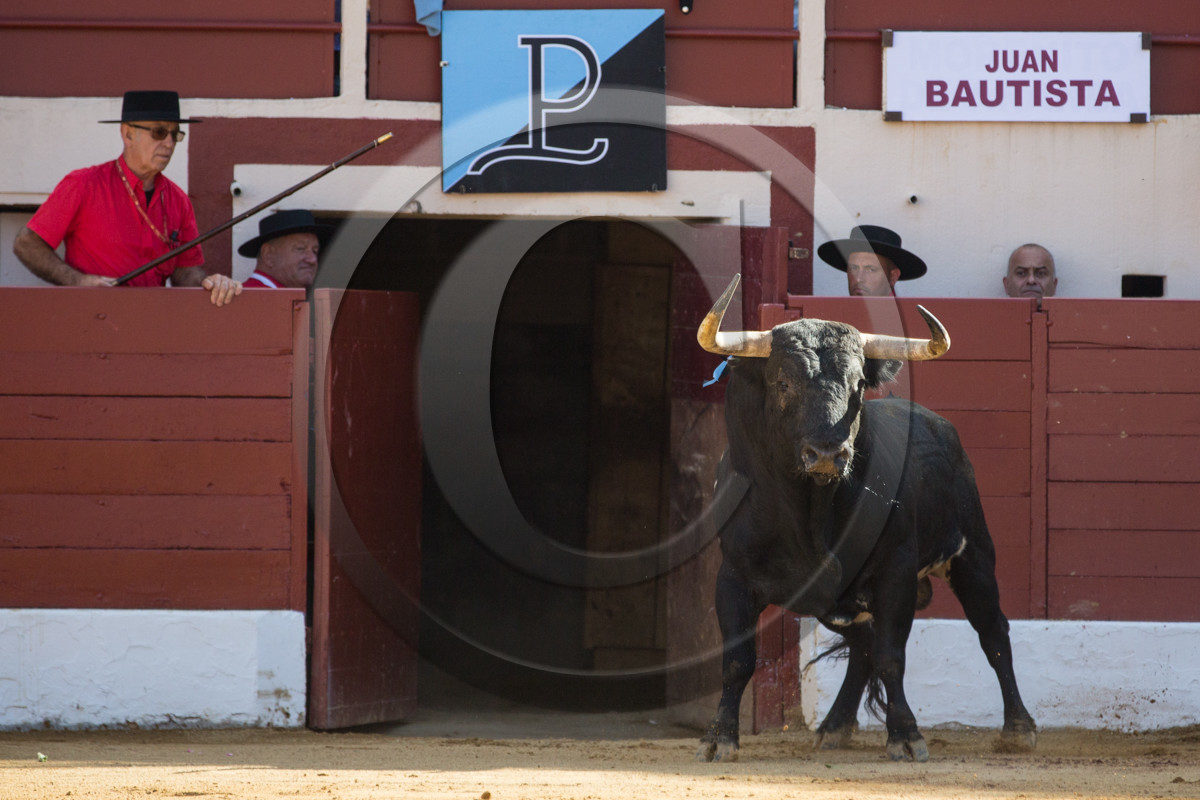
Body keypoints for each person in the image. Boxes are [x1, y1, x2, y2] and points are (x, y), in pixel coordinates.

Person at [12, 90, 241, 306]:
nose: (169, 143)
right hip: (93, 320)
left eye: (175, 134)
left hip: (152, 327)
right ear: (128, 133)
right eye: (159, 132)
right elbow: (27, 242)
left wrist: (210, 283)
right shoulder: (84, 184)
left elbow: (185, 272)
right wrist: (77, 281)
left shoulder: (178, 200)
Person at [817, 224, 927, 296]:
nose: (859, 278)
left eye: (871, 269)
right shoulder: (834, 319)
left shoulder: (908, 323)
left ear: (893, 276)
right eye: (853, 268)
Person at [238, 210, 332, 288]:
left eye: (315, 251)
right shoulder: (253, 299)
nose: (312, 259)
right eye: (300, 248)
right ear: (268, 255)